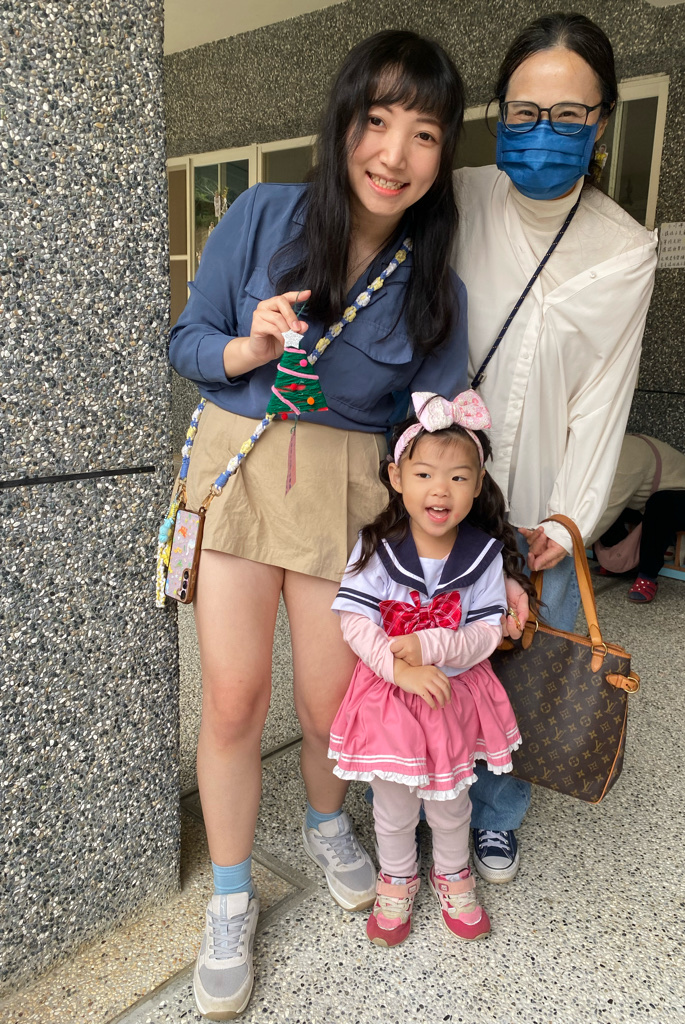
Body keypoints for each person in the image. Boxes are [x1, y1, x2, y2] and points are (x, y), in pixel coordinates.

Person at [167, 31, 468, 1020]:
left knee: (333, 701)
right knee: (234, 699)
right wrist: (249, 347)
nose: (394, 153)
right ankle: (230, 896)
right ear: (343, 122)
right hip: (242, 466)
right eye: (376, 120)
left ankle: (326, 823)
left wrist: (453, 542)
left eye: (424, 133)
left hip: (347, 493)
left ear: (443, 155)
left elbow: (435, 432)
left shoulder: (436, 285)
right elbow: (186, 342)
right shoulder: (262, 213)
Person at [452, 12, 658, 882]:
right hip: (439, 490)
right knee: (430, 650)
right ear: (500, 112)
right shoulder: (458, 199)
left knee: (522, 661)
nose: (545, 131)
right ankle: (424, 797)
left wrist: (570, 519)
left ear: (601, 120)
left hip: (539, 503)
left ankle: (498, 814)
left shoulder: (625, 250)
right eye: (525, 112)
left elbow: (604, 400)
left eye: (569, 115)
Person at [328, 392, 535, 946]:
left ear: (479, 484)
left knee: (451, 802)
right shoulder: (376, 546)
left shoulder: (484, 556)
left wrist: (433, 646)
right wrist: (401, 671)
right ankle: (397, 879)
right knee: (393, 804)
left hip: (452, 696)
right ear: (397, 477)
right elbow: (355, 623)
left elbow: (488, 632)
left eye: (458, 478)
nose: (440, 490)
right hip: (390, 698)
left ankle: (453, 874)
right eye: (423, 474)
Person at [589, 434, 685, 603]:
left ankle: (647, 575)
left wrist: (566, 548)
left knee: (659, 505)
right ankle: (619, 561)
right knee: (600, 501)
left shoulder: (627, 456)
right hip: (647, 499)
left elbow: (610, 508)